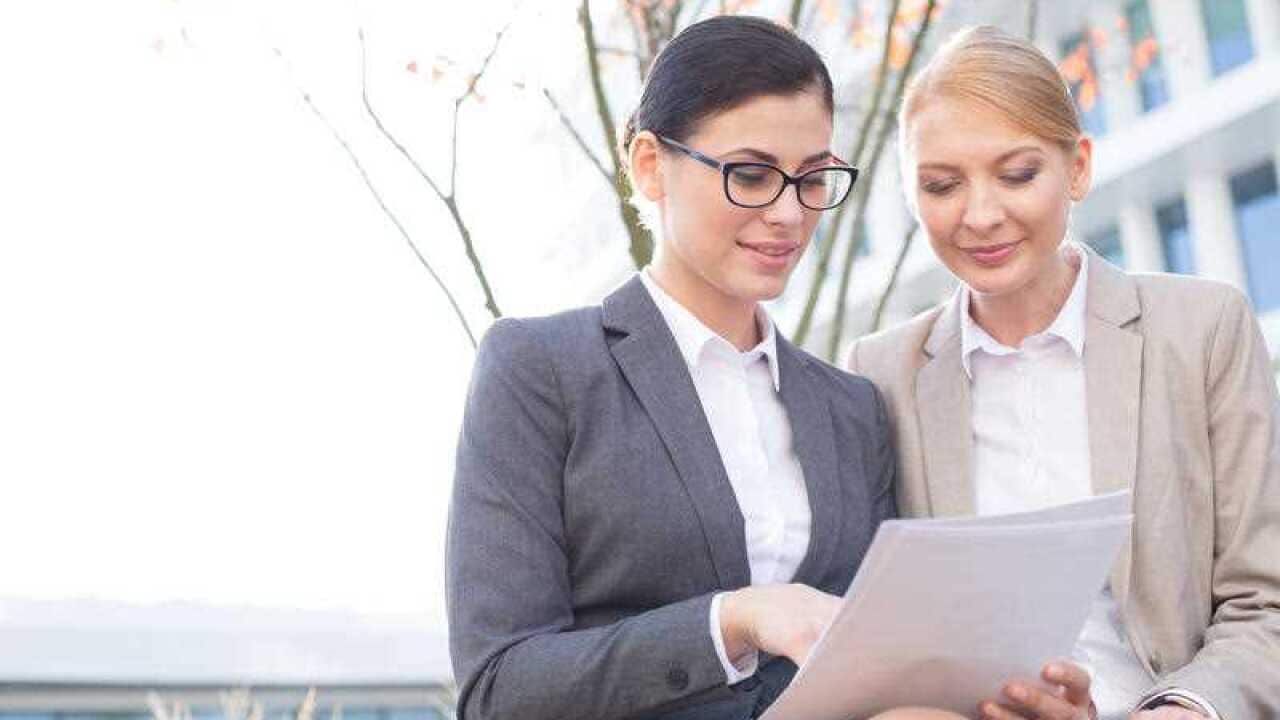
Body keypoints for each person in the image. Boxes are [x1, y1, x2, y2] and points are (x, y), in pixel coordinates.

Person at [446, 16, 899, 720]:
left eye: (814, 179)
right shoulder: (541, 370)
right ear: (651, 165)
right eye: (751, 174)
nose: (789, 213)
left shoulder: (853, 408)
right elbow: (501, 687)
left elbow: (878, 654)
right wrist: (733, 621)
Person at [847, 25, 1280, 720]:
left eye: (1017, 175)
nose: (980, 215)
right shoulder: (882, 373)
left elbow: (1267, 601)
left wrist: (1172, 712)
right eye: (940, 185)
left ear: (1077, 167)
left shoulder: (1202, 330)